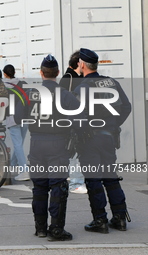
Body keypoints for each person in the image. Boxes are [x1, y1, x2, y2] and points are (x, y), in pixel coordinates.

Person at [15, 54, 84, 241]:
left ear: (41, 73)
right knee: (58, 186)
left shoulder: (30, 93)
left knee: (39, 186)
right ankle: (56, 228)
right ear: (58, 73)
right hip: (58, 144)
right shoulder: (66, 95)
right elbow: (80, 120)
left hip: (36, 143)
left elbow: (17, 118)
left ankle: (40, 228)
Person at [74, 48, 132, 233]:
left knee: (93, 180)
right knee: (111, 178)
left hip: (90, 140)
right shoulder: (111, 82)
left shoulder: (82, 88)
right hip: (108, 138)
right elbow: (126, 106)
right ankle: (120, 218)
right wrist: (113, 125)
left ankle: (100, 220)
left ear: (82, 64)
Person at [58, 51, 87, 194]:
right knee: (74, 151)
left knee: (75, 150)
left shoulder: (76, 77)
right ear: (78, 63)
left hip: (76, 119)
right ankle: (75, 183)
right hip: (71, 120)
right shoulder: (68, 78)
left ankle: (75, 180)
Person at [2, 64, 29, 181]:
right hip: (24, 117)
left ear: (5, 74)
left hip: (12, 118)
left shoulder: (2, 86)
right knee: (19, 144)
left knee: (18, 145)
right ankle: (13, 165)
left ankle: (24, 171)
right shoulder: (23, 84)